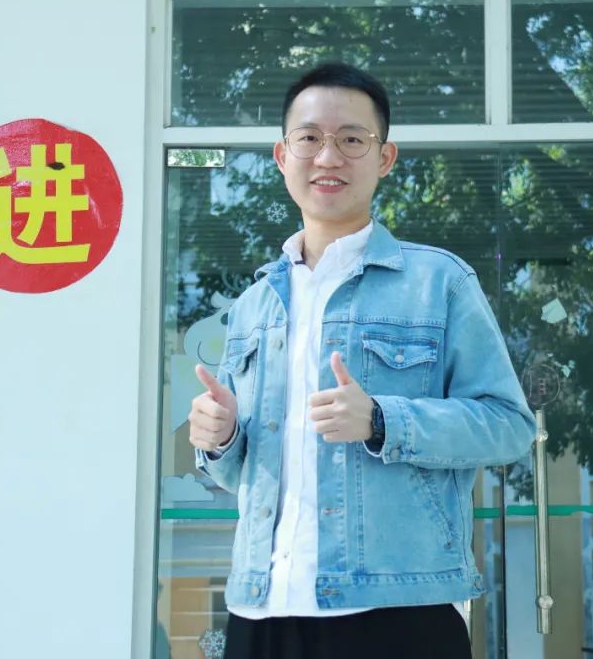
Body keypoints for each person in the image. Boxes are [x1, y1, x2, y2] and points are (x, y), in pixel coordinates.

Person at [188, 62, 534, 659]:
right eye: (309, 138)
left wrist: (381, 420)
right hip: (261, 607)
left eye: (352, 139)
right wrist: (219, 441)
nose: (328, 156)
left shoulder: (439, 282)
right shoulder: (254, 305)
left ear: (384, 158)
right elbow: (239, 472)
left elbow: (508, 426)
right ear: (282, 156)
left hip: (396, 610)